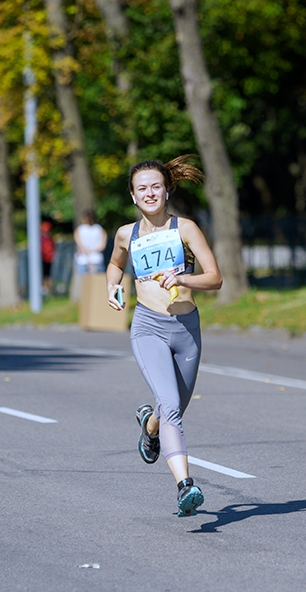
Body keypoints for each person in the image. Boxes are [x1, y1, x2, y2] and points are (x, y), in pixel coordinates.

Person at [106, 155, 222, 517]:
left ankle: (149, 426)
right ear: (133, 196)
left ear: (167, 189)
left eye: (156, 186)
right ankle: (185, 485)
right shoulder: (127, 233)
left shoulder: (184, 228)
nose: (150, 193)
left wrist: (184, 278)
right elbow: (115, 263)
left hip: (187, 329)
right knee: (171, 405)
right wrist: (113, 286)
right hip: (148, 327)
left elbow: (215, 278)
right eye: (142, 188)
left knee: (172, 408)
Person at [74, 210, 107, 275]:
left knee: (83, 283)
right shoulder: (100, 229)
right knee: (98, 282)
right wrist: (92, 250)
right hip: (97, 258)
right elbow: (103, 246)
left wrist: (87, 253)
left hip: (82, 259)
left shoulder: (79, 229)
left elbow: (80, 245)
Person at [40, 220, 55, 296]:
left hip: (46, 258)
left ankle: (47, 290)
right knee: (45, 275)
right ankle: (45, 289)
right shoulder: (48, 238)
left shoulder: (45, 238)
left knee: (46, 275)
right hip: (45, 258)